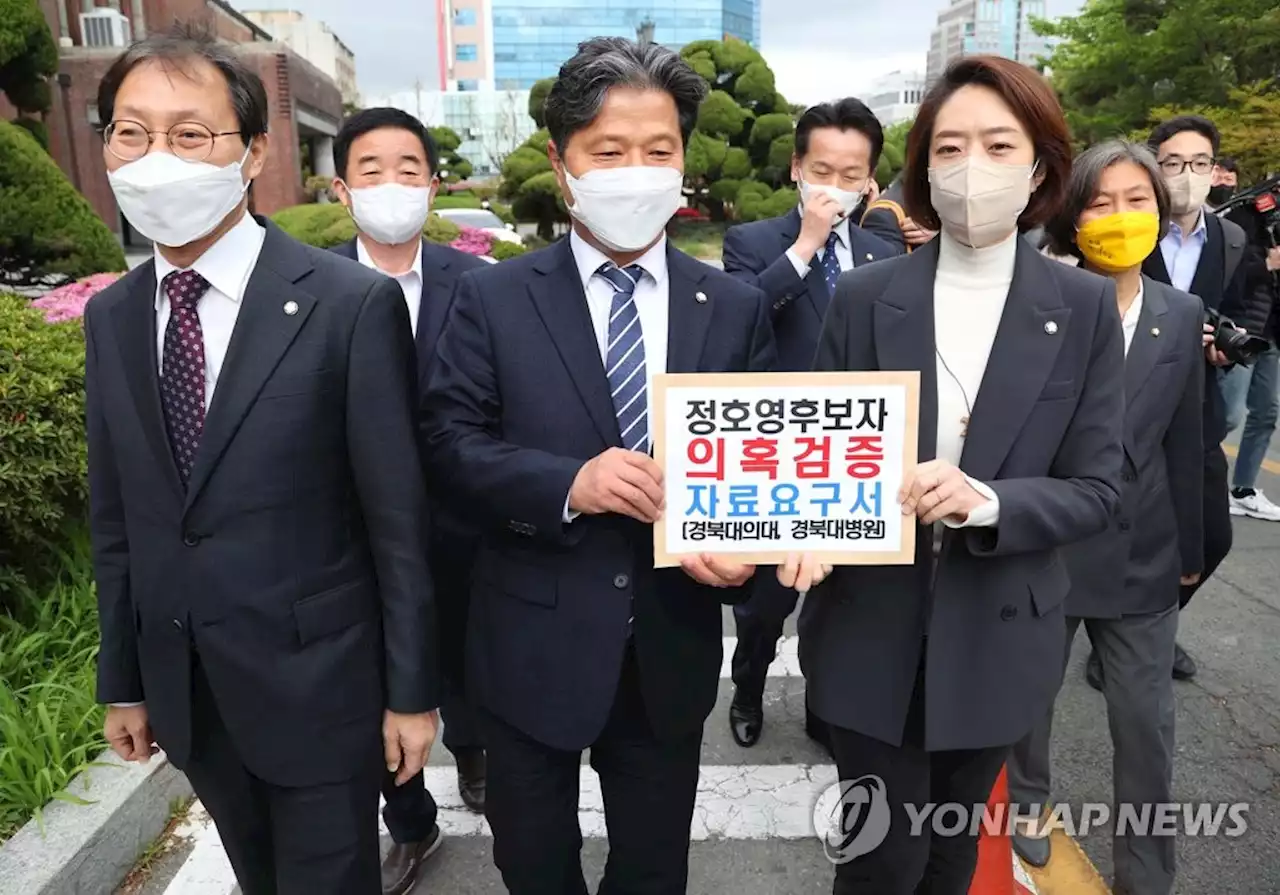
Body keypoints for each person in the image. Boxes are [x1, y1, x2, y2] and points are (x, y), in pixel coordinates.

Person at [86, 26, 439, 895]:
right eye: (130, 133)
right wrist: (125, 682)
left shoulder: (348, 305)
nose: (154, 157)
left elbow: (397, 516)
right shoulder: (115, 314)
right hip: (191, 694)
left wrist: (411, 693)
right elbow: (119, 519)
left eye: (189, 134)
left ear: (251, 154)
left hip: (321, 687)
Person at [419, 37, 774, 895]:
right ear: (562, 160)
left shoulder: (732, 306)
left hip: (668, 648)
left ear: (685, 159)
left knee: (654, 870)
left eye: (658, 151)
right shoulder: (491, 295)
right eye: (608, 152)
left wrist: (746, 557)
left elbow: (758, 468)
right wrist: (566, 485)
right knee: (534, 866)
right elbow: (447, 442)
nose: (635, 171)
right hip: (527, 645)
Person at [792, 55, 1125, 894]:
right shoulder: (865, 298)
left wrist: (988, 500)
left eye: (997, 143)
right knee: (879, 854)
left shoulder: (1081, 307)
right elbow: (818, 455)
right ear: (924, 168)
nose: (970, 165)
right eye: (949, 146)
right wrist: (800, 535)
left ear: (1041, 165)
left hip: (1001, 628)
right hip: (871, 623)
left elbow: (1097, 486)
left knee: (949, 850)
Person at [1007, 140, 1205, 895]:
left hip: (1143, 554)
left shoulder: (1181, 314)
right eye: (1101, 201)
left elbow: (1186, 440)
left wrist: (1191, 545)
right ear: (1072, 212)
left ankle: (1147, 873)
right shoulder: (1040, 307)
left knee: (1146, 727)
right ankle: (1027, 803)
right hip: (1051, 543)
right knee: (1028, 695)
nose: (1120, 217)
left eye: (1137, 200)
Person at [328, 107, 490, 895]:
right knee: (381, 683)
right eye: (370, 170)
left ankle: (479, 749)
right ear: (340, 188)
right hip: (356, 541)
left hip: (466, 527)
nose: (391, 185)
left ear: (433, 183)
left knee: (469, 666)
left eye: (407, 169)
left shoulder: (483, 286)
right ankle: (412, 819)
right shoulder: (310, 287)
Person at [719, 97, 896, 751]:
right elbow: (741, 318)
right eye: (823, 169)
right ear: (797, 167)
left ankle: (829, 700)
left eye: (852, 175)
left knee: (847, 592)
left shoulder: (884, 249)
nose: (836, 186)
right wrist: (806, 246)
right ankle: (747, 684)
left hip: (858, 451)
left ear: (871, 179)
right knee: (767, 600)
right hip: (778, 451)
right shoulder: (754, 242)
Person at [1138, 115, 1257, 680]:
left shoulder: (1231, 238)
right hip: (1131, 401)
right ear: (1155, 168)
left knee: (1211, 537)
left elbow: (1243, 304)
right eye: (1173, 163)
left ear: (1216, 171)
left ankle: (1152, 626)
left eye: (1199, 163)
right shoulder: (1129, 230)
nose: (1187, 175)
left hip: (1200, 402)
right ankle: (1130, 641)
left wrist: (1226, 346)